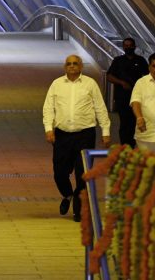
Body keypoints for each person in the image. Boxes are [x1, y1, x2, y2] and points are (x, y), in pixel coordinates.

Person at [43, 55, 110, 222]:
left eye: (75, 64)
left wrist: (106, 130)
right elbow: (48, 108)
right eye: (69, 64)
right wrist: (49, 129)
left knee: (82, 174)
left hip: (85, 135)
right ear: (64, 67)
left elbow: (100, 107)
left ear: (81, 66)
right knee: (60, 173)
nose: (72, 66)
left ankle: (78, 210)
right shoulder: (56, 84)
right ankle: (68, 194)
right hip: (62, 135)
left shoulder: (90, 84)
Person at [106, 38, 148, 147]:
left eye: (130, 45)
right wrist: (121, 83)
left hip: (138, 98)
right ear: (123, 47)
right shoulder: (118, 60)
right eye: (126, 45)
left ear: (134, 46)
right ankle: (125, 146)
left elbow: (148, 77)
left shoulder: (141, 61)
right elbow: (109, 76)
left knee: (136, 121)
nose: (128, 47)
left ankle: (135, 144)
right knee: (124, 123)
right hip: (122, 98)